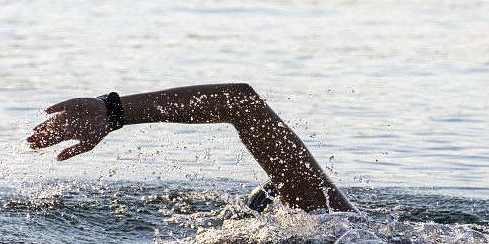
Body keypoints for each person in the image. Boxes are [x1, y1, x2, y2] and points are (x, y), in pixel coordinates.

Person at [26, 83, 356, 213]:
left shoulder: (335, 219)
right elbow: (239, 102)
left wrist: (111, 112)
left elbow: (239, 101)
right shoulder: (344, 224)